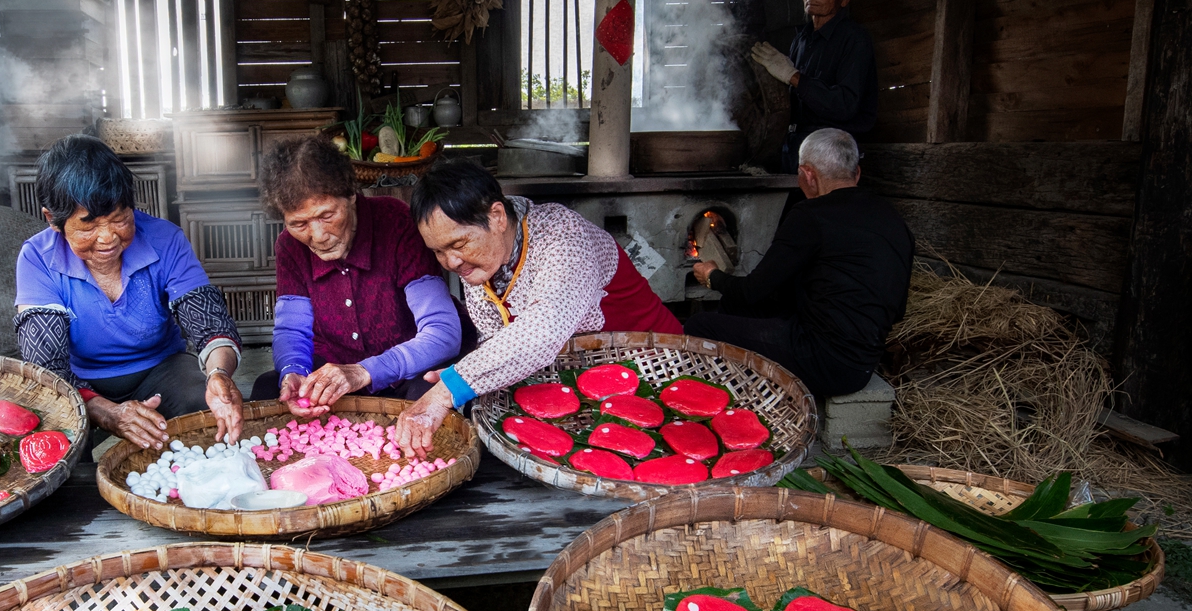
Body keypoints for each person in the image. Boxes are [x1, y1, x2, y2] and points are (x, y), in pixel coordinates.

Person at [388, 159, 682, 455]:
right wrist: (467, 374)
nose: (451, 262)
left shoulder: (564, 235)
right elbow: (495, 339)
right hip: (579, 390)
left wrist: (449, 388)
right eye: (438, 251)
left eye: (459, 244)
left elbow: (543, 329)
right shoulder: (482, 259)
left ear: (497, 217)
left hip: (656, 373)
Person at [13, 135, 245, 450]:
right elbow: (48, 369)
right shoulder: (37, 258)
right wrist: (108, 413)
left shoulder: (165, 239)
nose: (107, 237)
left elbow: (211, 326)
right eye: (88, 226)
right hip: (80, 381)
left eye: (120, 218)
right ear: (53, 220)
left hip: (162, 370)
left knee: (201, 405)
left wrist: (218, 372)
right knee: (52, 433)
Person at [688, 128, 912, 399]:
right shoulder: (891, 217)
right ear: (857, 173)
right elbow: (897, 311)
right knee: (737, 306)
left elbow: (751, 290)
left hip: (823, 361)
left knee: (700, 326)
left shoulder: (811, 215)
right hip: (862, 364)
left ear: (808, 175)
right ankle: (741, 391)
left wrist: (713, 276)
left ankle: (721, 403)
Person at [253, 136, 464, 417]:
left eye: (326, 215)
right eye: (299, 223)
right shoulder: (290, 247)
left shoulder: (396, 222)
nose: (317, 236)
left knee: (427, 400)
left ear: (351, 194)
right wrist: (294, 372)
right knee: (268, 390)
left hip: (406, 371)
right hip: (335, 378)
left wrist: (364, 371)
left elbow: (443, 333)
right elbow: (293, 330)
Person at [750, 0, 877, 170]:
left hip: (833, 152)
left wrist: (793, 76)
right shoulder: (802, 39)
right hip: (796, 146)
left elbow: (845, 105)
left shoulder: (854, 39)